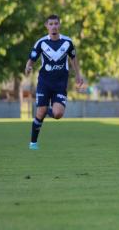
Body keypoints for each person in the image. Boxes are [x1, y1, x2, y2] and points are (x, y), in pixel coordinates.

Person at [25, 14, 83, 150]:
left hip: (60, 84)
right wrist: (28, 66)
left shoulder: (67, 42)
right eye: (50, 24)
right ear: (46, 26)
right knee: (40, 113)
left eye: (56, 23)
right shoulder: (41, 43)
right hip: (44, 83)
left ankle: (45, 110)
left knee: (57, 114)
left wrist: (78, 75)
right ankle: (33, 143)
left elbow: (74, 58)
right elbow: (32, 58)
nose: (54, 26)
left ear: (59, 25)